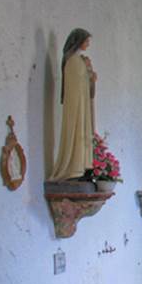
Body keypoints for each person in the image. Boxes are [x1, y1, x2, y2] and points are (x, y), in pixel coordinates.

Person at [50, 28, 96, 181]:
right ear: (79, 41)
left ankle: (82, 167)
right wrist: (88, 74)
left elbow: (84, 82)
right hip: (76, 106)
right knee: (76, 134)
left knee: (82, 134)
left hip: (82, 106)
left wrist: (90, 76)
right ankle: (74, 168)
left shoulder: (78, 60)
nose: (88, 44)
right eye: (86, 41)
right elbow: (75, 84)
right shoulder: (73, 61)